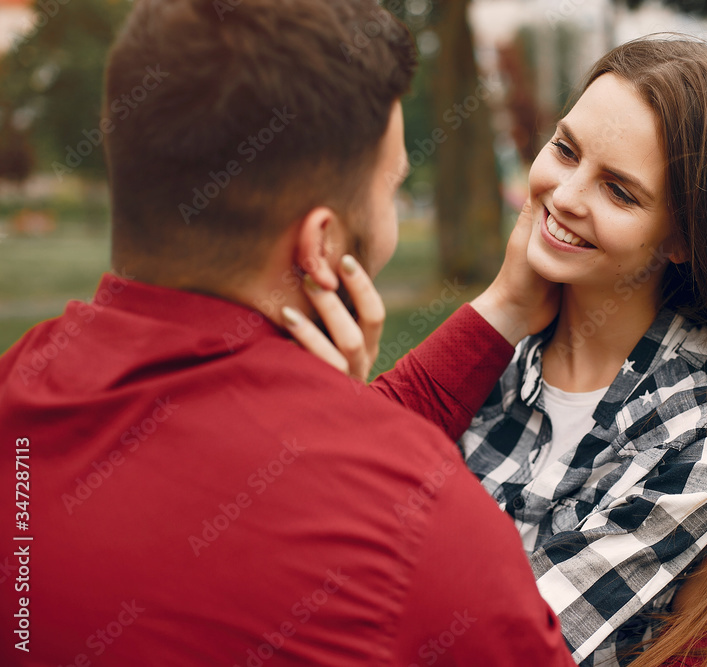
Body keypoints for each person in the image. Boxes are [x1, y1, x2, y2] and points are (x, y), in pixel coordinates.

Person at [0, 1, 576, 665]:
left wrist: (495, 311)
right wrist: (346, 433)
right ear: (320, 247)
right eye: (392, 188)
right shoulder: (416, 530)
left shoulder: (22, 388)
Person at [288, 37, 707, 667]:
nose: (563, 196)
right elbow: (308, 515)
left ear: (685, 237)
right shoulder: (498, 350)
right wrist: (502, 308)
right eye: (565, 150)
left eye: (619, 191)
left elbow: (500, 648)